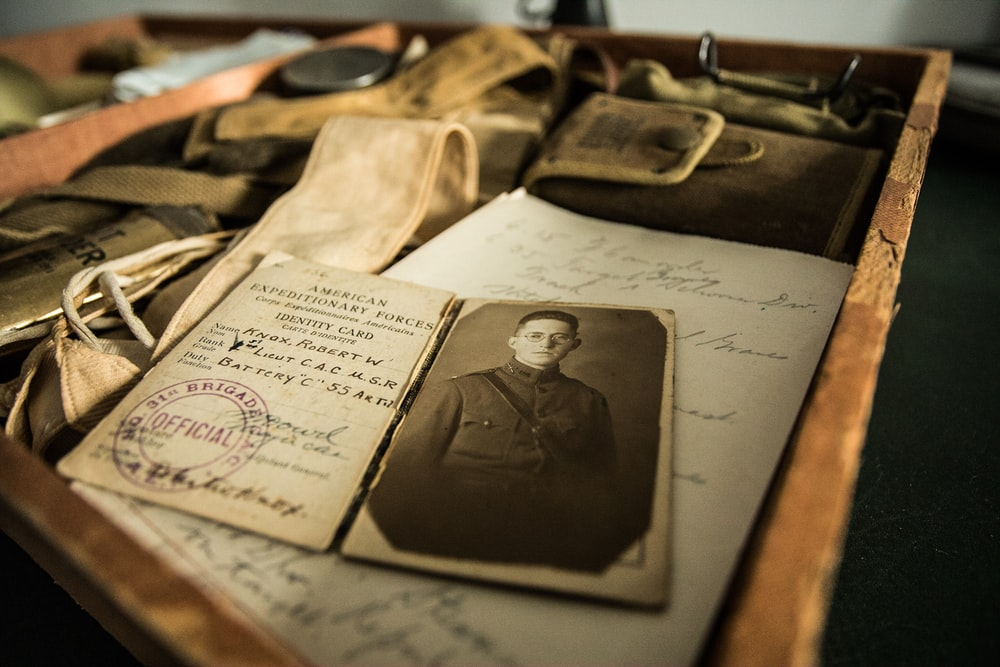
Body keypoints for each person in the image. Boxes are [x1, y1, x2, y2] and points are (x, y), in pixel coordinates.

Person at [366, 309, 626, 572]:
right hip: (457, 525)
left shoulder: (589, 400)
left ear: (574, 344)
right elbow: (406, 471)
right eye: (535, 336)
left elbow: (601, 478)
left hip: (548, 532)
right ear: (514, 342)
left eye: (559, 338)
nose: (546, 344)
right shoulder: (460, 390)